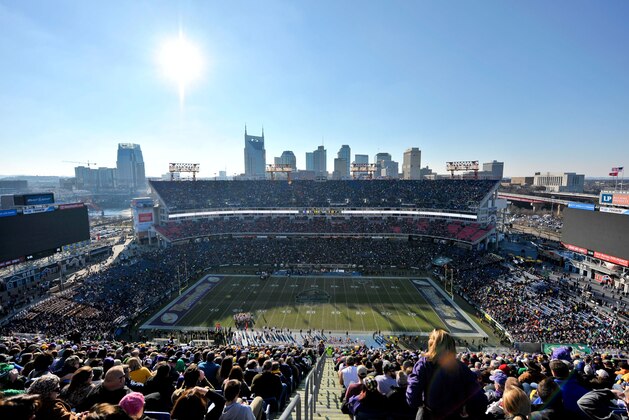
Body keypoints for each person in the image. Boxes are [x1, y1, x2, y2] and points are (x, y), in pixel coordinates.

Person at [406, 329, 488, 419]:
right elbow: (480, 400)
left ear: (432, 345)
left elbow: (412, 396)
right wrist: (466, 409)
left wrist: (421, 405)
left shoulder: (423, 364)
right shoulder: (461, 367)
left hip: (429, 414)